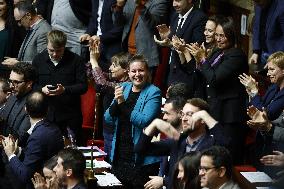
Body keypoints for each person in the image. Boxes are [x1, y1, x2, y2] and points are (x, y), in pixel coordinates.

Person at [190, 16, 249, 164]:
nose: (218, 39)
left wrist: (203, 59)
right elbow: (204, 75)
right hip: (215, 111)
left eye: (222, 35)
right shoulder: (218, 53)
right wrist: (199, 60)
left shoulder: (236, 55)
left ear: (231, 35)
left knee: (227, 157)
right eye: (217, 35)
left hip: (230, 117)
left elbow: (214, 79)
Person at [135, 98, 228, 189]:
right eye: (183, 114)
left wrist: (164, 181)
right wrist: (154, 124)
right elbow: (141, 149)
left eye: (190, 114)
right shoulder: (178, 141)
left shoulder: (212, 144)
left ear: (203, 119)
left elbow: (226, 145)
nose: (184, 119)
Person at [104, 54, 162, 188]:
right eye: (133, 71)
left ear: (147, 72)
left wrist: (122, 104)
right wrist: (116, 104)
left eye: (141, 70)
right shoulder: (124, 87)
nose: (137, 74)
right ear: (128, 72)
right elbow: (108, 118)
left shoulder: (154, 92)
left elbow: (144, 121)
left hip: (141, 158)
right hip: (120, 154)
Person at [32, 30, 87, 145]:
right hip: (46, 115)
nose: (55, 54)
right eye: (51, 50)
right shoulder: (38, 60)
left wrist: (65, 90)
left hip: (70, 115)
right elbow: (32, 85)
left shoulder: (76, 60)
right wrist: (41, 89)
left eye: (59, 51)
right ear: (46, 45)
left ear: (64, 46)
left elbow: (83, 87)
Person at [1, 91, 64, 189]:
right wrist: (17, 150)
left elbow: (25, 175)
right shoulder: (53, 127)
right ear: (47, 110)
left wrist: (10, 154)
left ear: (25, 109)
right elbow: (36, 157)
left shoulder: (38, 136)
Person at [86, 39, 129, 161]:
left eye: (114, 65)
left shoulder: (127, 85)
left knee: (113, 162)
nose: (110, 68)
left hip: (118, 132)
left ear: (126, 69)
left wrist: (94, 61)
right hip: (108, 129)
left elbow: (102, 84)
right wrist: (93, 58)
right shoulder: (116, 79)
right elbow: (91, 74)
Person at [112, 0, 168, 72]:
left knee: (144, 83)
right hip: (128, 53)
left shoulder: (160, 2)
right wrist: (119, 7)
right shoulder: (130, 1)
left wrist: (140, 6)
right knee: (128, 83)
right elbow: (118, 23)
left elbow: (154, 24)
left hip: (146, 56)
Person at [2, 0, 51, 65]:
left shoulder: (43, 31)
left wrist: (17, 63)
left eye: (19, 21)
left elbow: (42, 62)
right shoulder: (32, 28)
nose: (19, 25)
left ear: (28, 15)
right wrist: (16, 60)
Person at [239, 51, 284, 121]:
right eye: (268, 70)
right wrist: (251, 92)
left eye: (272, 70)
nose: (268, 74)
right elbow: (257, 108)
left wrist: (254, 92)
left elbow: (266, 115)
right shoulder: (273, 87)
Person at [79, 0, 123, 71]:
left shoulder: (117, 2)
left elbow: (120, 28)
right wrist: (88, 33)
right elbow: (94, 19)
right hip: (97, 45)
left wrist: (101, 38)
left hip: (113, 46)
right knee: (97, 72)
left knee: (112, 75)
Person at [0, 62, 36, 147]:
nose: (11, 86)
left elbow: (21, 138)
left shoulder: (33, 104)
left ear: (29, 84)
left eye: (16, 82)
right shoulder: (13, 96)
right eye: (10, 81)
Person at [249, 0, 284, 69]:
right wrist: (256, 51)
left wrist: (276, 59)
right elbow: (256, 27)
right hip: (262, 52)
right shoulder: (258, 4)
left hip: (276, 54)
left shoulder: (281, 7)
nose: (255, 4)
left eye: (258, 1)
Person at [0, 0, 23, 78]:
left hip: (5, 72)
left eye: (1, 3)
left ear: (7, 6)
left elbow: (18, 55)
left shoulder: (14, 27)